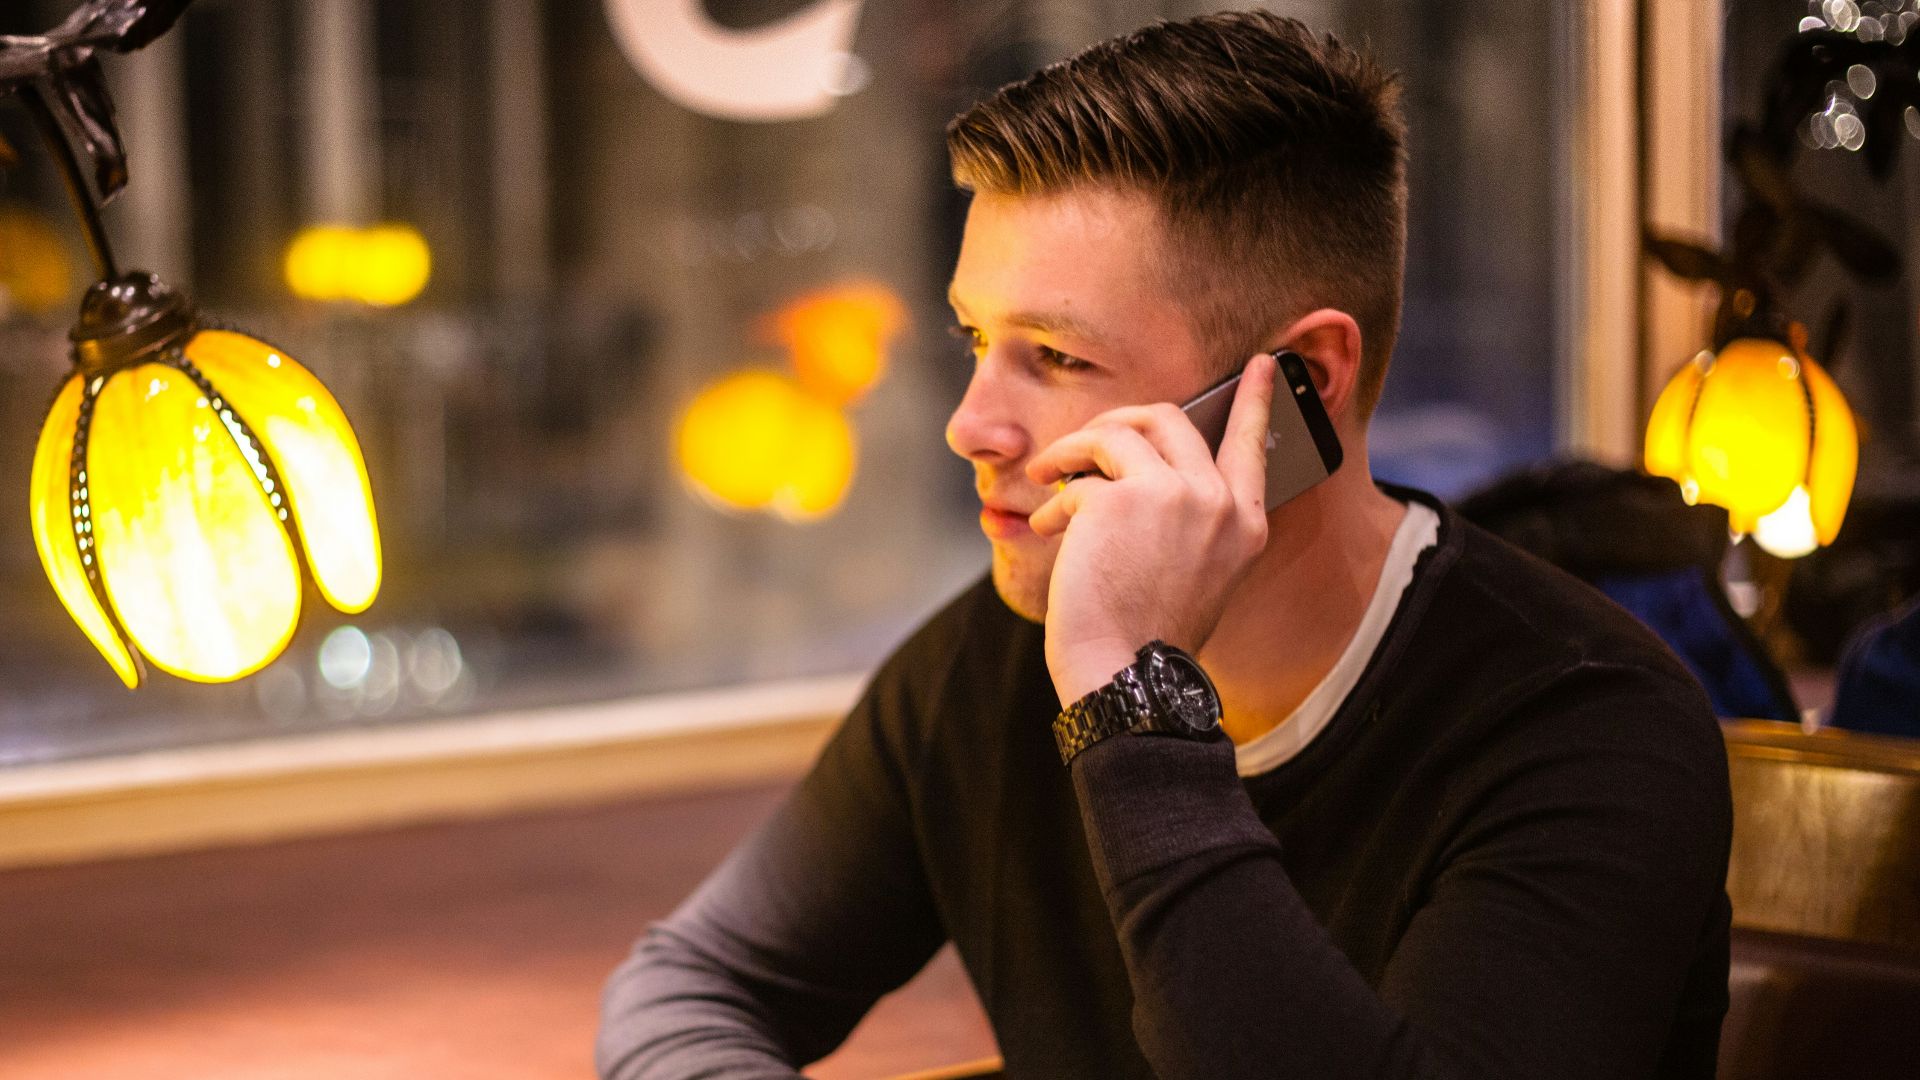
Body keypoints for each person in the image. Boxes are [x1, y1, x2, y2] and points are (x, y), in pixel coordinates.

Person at [597, 12, 1732, 1079]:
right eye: (976, 338)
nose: (969, 425)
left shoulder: (1588, 725)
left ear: (1304, 386)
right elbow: (695, 983)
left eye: (1056, 356)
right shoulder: (992, 661)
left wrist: (1128, 707)